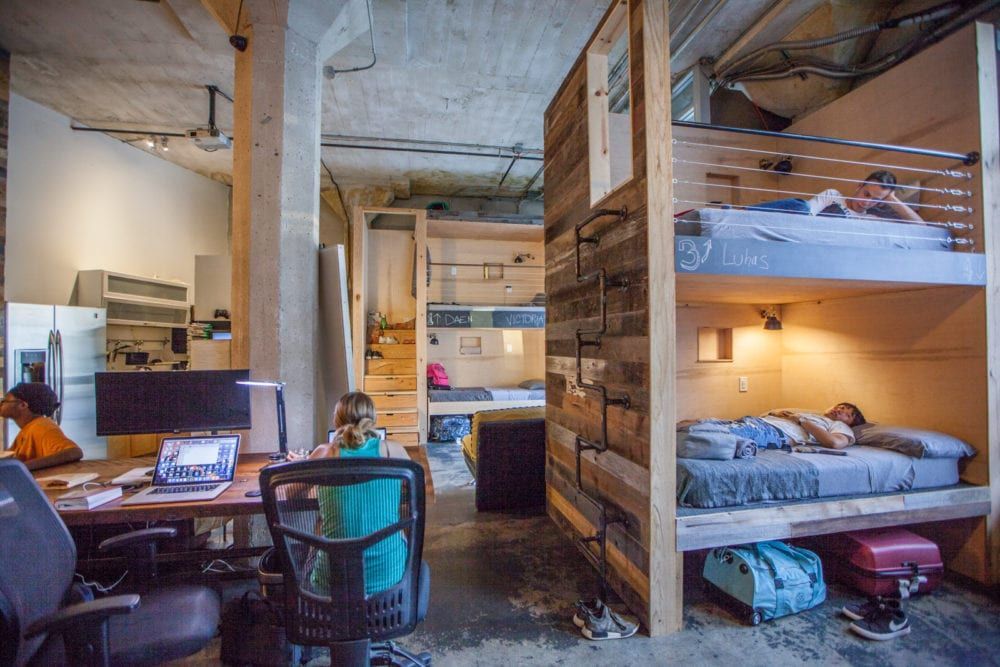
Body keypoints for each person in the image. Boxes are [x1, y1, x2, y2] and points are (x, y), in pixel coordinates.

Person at [303, 391, 407, 596]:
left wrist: (299, 464)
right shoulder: (391, 451)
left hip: (331, 587)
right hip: (389, 582)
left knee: (319, 532)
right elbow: (414, 490)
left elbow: (288, 492)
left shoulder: (323, 453)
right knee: (403, 536)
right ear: (373, 419)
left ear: (337, 420)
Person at [679, 402, 867, 452]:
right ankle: (663, 433)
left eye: (847, 413)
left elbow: (834, 443)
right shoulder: (814, 414)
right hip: (760, 423)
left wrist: (800, 421)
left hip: (773, 434)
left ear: (851, 422)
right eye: (840, 407)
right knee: (701, 422)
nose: (840, 411)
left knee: (715, 433)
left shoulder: (840, 427)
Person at [749, 170, 923, 223]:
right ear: (859, 186)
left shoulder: (872, 219)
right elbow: (808, 214)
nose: (866, 202)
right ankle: (743, 213)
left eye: (875, 199)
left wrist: (892, 199)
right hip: (806, 223)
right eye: (866, 193)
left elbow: (921, 226)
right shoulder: (834, 196)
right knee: (801, 206)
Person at [1, 382, 83, 470]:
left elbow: (74, 452)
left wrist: (22, 468)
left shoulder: (42, 427)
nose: (0, 404)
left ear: (23, 405)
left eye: (4, 401)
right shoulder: (27, 429)